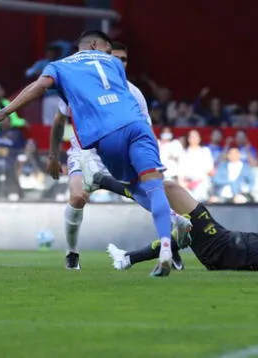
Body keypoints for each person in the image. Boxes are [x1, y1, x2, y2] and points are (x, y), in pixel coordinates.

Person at [0, 30, 176, 277]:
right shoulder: (115, 65)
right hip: (136, 126)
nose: (109, 55)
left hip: (106, 135)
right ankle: (166, 248)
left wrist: (6, 112)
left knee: (128, 183)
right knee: (152, 186)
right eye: (107, 50)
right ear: (95, 45)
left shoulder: (61, 66)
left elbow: (40, 86)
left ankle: (102, 181)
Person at [47, 41, 189, 270]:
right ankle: (72, 253)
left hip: (117, 150)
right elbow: (58, 122)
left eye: (124, 59)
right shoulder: (80, 85)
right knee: (78, 197)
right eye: (116, 57)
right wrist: (53, 157)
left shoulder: (133, 93)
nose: (120, 63)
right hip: (85, 152)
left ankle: (170, 242)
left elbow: (145, 130)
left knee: (146, 191)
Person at [107, 184, 258, 272]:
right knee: (184, 226)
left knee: (170, 190)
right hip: (226, 244)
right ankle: (128, 258)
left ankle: (104, 181)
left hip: (223, 250)